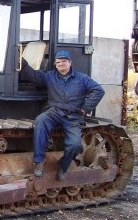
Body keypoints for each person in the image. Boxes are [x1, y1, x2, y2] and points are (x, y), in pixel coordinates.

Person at [20, 50, 105, 180]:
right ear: (55, 64)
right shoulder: (50, 76)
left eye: (64, 61)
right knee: (40, 121)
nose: (61, 64)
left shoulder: (81, 78)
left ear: (70, 62)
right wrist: (22, 62)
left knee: (75, 145)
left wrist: (86, 108)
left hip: (73, 116)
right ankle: (39, 161)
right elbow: (34, 76)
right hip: (54, 112)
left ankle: (64, 165)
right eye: (58, 62)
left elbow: (99, 90)